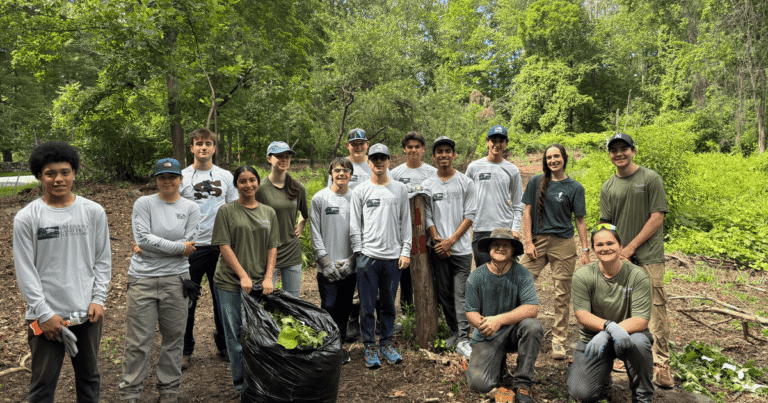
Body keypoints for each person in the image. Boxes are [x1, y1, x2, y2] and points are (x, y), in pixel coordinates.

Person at [13, 141, 112, 403]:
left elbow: (102, 260)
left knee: (90, 379)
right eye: (50, 173)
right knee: (42, 385)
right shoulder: (27, 217)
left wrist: (99, 298)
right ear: (39, 176)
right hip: (45, 318)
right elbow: (25, 270)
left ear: (74, 173)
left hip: (88, 314)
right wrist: (44, 314)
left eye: (65, 172)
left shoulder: (93, 212)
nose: (59, 179)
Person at [119, 158, 201, 403]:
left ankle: (168, 392)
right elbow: (143, 239)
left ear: (180, 179)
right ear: (156, 179)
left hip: (177, 281)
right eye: (162, 177)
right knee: (137, 342)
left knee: (174, 339)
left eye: (172, 177)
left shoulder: (191, 208)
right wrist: (177, 247)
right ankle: (131, 393)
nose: (167, 181)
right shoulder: (144, 203)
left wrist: (153, 247)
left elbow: (191, 245)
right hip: (142, 280)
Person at [599, 132, 673, 388]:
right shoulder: (608, 186)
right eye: (614, 150)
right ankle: (624, 352)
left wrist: (629, 247)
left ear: (633, 150)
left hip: (648, 256)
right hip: (619, 258)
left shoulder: (650, 178)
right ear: (609, 154)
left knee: (655, 309)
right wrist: (609, 249)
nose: (618, 153)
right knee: (622, 306)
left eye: (623, 148)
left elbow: (657, 217)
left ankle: (662, 364)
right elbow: (605, 223)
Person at [567, 224, 654, 403]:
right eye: (599, 245)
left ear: (620, 246)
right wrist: (608, 327)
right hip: (592, 340)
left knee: (640, 341)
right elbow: (581, 314)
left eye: (610, 243)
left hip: (629, 336)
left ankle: (643, 397)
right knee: (580, 394)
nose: (605, 248)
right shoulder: (583, 275)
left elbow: (641, 320)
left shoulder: (638, 276)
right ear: (593, 249)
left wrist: (608, 332)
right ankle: (601, 378)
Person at [211, 165, 279, 394]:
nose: (248, 185)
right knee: (235, 333)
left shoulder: (268, 212)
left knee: (261, 332)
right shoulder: (227, 212)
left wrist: (269, 276)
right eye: (243, 181)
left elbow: (272, 247)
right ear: (236, 185)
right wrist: (242, 275)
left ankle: (259, 379)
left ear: (258, 182)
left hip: (261, 282)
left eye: (252, 180)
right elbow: (224, 245)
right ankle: (241, 383)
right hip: (230, 282)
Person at [519, 144, 589, 360]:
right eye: (549, 157)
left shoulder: (575, 187)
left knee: (561, 293)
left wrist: (585, 249)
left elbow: (580, 220)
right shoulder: (535, 182)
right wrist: (528, 242)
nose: (553, 160)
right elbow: (527, 212)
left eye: (556, 156)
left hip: (564, 243)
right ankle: (516, 329)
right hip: (538, 241)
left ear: (564, 158)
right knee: (520, 279)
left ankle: (559, 340)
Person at [179, 128, 238, 369]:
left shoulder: (226, 176)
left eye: (207, 143)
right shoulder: (181, 176)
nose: (203, 147)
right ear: (191, 148)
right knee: (187, 300)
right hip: (191, 247)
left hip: (220, 246)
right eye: (198, 144)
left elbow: (234, 210)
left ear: (214, 148)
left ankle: (225, 344)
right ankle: (185, 348)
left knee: (222, 298)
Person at [350, 143, 412, 369]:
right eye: (374, 158)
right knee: (367, 306)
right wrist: (359, 252)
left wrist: (406, 251)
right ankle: (369, 347)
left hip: (392, 257)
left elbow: (406, 222)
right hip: (368, 257)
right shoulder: (360, 190)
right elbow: (355, 224)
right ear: (369, 162)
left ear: (389, 161)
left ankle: (386, 343)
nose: (378, 162)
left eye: (382, 158)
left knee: (388, 304)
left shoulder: (399, 190)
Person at [464, 228, 543, 402]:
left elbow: (532, 308)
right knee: (479, 385)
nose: (500, 248)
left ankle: (523, 385)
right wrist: (483, 325)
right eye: (496, 245)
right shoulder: (475, 277)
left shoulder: (523, 274)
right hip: (487, 333)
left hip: (514, 331)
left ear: (513, 250)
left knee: (533, 327)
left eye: (505, 245)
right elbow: (471, 311)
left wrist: (499, 320)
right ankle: (497, 363)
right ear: (489, 249)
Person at [422, 136, 477, 357]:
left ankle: (464, 339)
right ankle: (454, 331)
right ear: (434, 156)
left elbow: (470, 215)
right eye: (439, 152)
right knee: (444, 293)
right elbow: (427, 216)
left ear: (454, 155)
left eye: (448, 151)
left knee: (460, 294)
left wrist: (450, 242)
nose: (444, 155)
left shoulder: (466, 182)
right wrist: (438, 242)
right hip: (438, 250)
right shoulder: (428, 185)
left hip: (461, 250)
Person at [310, 158, 357, 364]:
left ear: (351, 174)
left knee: (345, 307)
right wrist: (325, 261)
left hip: (349, 266)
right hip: (326, 267)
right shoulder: (320, 198)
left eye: (345, 170)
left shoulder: (356, 198)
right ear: (331, 173)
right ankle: (327, 346)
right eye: (337, 170)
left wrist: (352, 260)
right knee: (329, 306)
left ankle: (339, 348)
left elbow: (361, 232)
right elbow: (315, 232)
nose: (341, 174)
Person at [390, 131, 437, 317]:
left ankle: (430, 311)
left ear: (423, 149)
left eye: (417, 147)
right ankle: (407, 313)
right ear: (404, 149)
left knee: (429, 272)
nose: (413, 150)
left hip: (427, 229)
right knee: (406, 275)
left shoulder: (432, 173)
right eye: (409, 147)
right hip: (404, 230)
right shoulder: (395, 173)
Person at [466, 125, 524, 267]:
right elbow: (465, 198)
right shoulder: (474, 167)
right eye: (493, 140)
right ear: (487, 142)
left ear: (506, 143)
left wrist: (515, 228)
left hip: (504, 228)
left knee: (504, 272)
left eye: (501, 141)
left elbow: (518, 204)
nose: (497, 144)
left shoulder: (512, 170)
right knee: (483, 273)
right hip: (480, 228)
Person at [256, 141, 308, 298]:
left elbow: (305, 214)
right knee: (265, 298)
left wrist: (300, 227)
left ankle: (291, 324)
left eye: (287, 156)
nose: (284, 160)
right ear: (269, 158)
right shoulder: (259, 188)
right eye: (279, 156)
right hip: (267, 251)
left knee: (292, 300)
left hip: (291, 251)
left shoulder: (297, 187)